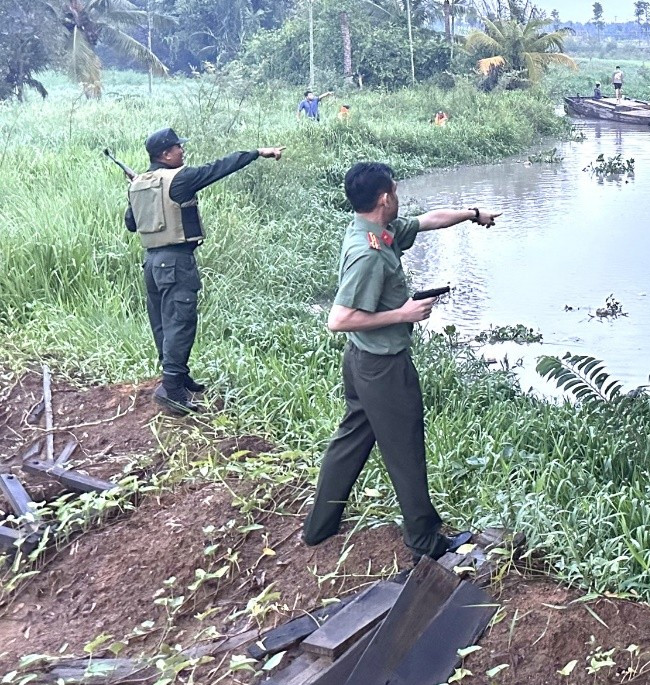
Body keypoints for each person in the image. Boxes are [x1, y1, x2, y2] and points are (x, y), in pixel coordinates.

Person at [302, 161, 500, 562]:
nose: (399, 195)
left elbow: (430, 220)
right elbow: (338, 319)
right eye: (395, 190)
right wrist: (404, 314)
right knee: (405, 450)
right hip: (384, 367)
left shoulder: (375, 231)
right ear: (384, 198)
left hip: (361, 361)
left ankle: (319, 526)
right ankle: (424, 541)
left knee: (352, 440)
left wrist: (473, 215)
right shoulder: (369, 254)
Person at [124, 128, 285, 415]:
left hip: (151, 263)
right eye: (177, 148)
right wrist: (258, 152)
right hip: (175, 261)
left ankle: (177, 376)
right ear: (165, 154)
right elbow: (219, 168)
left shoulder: (138, 185)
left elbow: (131, 224)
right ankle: (172, 389)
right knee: (180, 323)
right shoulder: (180, 179)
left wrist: (140, 191)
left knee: (163, 323)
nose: (182, 151)